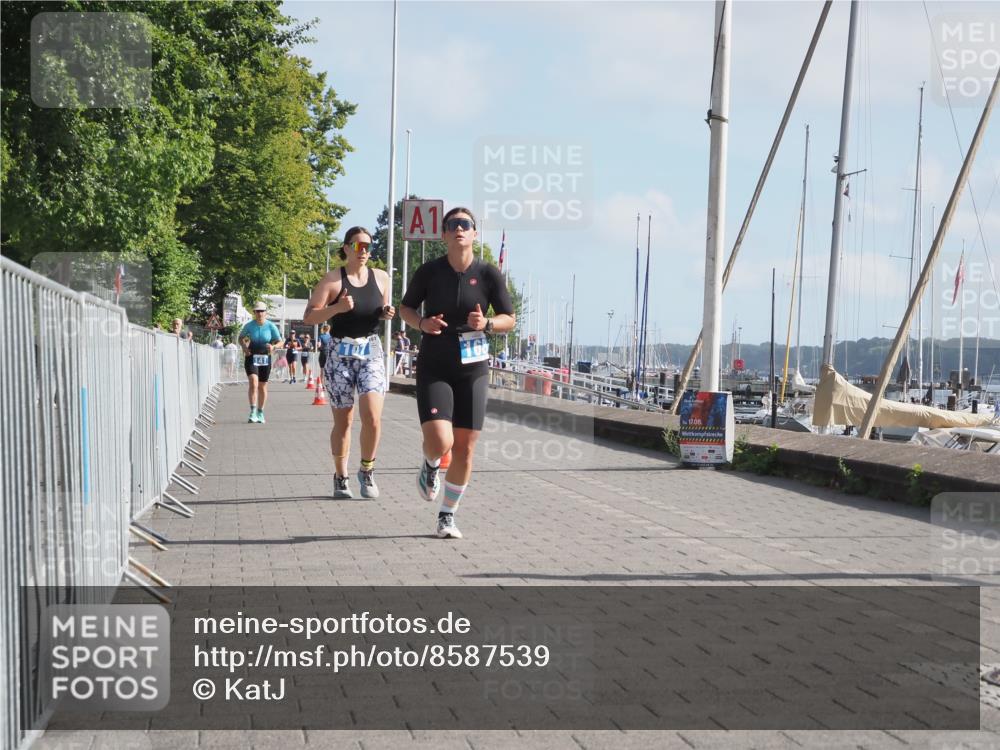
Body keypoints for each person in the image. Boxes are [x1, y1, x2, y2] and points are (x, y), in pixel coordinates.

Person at [399, 207, 515, 539]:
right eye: (453, 225)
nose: (459, 229)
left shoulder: (489, 274)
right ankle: (431, 464)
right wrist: (421, 323)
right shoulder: (430, 272)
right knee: (440, 440)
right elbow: (406, 307)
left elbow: (510, 318)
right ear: (445, 235)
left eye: (466, 225)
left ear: (475, 234)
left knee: (465, 447)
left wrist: (488, 324)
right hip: (435, 362)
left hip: (473, 367)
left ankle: (447, 516)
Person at [304, 226, 395, 499]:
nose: (364, 250)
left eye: (368, 245)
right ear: (346, 248)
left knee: (373, 417)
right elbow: (310, 317)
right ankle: (341, 476)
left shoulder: (381, 278)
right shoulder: (332, 280)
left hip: (370, 351)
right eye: (358, 245)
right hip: (339, 353)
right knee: (344, 421)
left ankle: (366, 471)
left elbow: (378, 311)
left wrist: (385, 313)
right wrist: (336, 309)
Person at [239, 302, 283, 423]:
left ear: (266, 312)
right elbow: (240, 337)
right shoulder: (249, 325)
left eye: (262, 311)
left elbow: (280, 341)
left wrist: (274, 347)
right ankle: (253, 411)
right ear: (254, 313)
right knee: (254, 382)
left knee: (262, 386)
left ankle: (260, 411)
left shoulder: (271, 326)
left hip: (265, 357)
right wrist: (244, 348)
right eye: (257, 311)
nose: (259, 313)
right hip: (251, 357)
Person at [317, 324, 333, 390]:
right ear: (329, 329)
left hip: (323, 353)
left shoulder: (321, 336)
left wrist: (319, 346)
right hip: (329, 354)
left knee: (322, 370)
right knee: (330, 370)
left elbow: (318, 345)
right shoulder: (331, 336)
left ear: (323, 329)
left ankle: (322, 385)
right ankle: (329, 384)